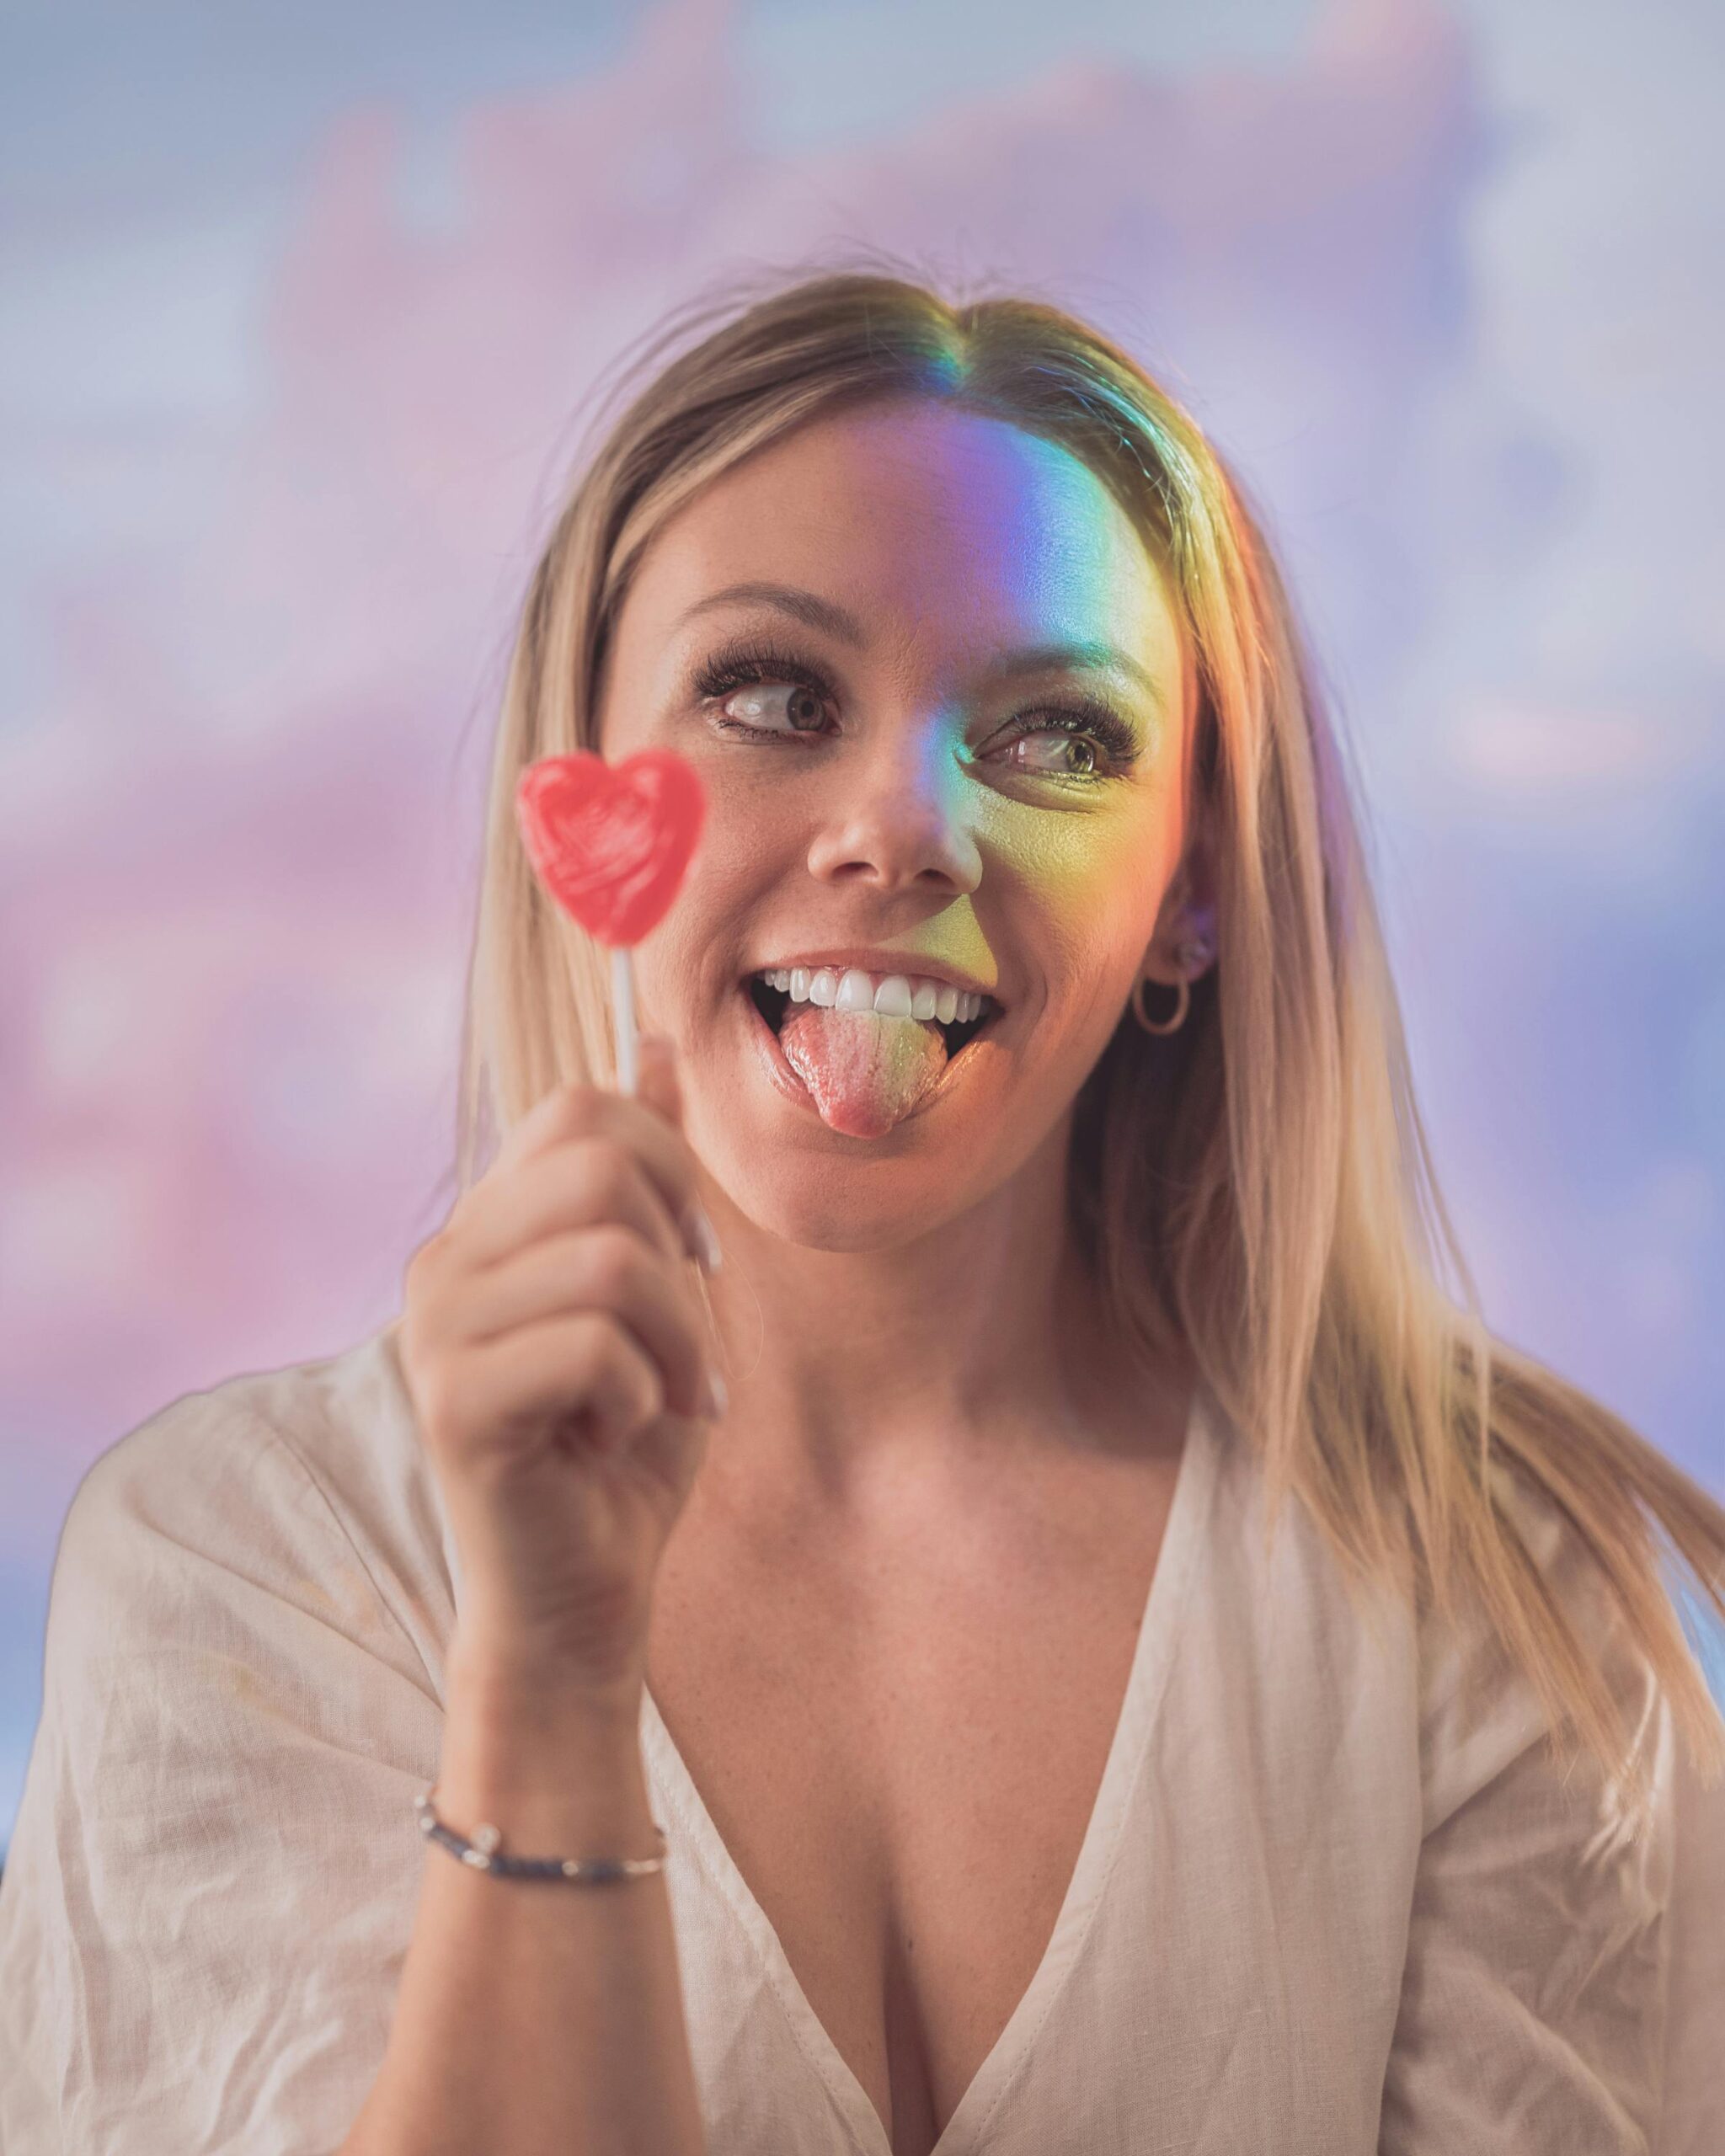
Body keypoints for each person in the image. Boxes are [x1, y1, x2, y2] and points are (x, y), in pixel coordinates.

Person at [3, 261, 1722, 2156]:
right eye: (771, 693)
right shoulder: (230, 1561)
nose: (898, 824)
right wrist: (548, 1685)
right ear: (572, 800)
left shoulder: (1497, 1585)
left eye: (1059, 734)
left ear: (1195, 891)